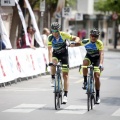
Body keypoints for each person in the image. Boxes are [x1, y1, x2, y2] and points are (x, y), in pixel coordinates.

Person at [47, 22, 80, 104]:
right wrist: (50, 61)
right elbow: (50, 50)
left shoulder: (64, 35)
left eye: (56, 31)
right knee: (53, 62)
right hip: (56, 54)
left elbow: (77, 38)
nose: (54, 33)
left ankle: (65, 95)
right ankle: (53, 77)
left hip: (64, 54)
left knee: (65, 75)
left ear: (59, 30)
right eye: (53, 31)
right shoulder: (50, 37)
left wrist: (74, 43)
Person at [79, 28, 104, 104]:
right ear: (90, 36)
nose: (94, 38)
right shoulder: (86, 41)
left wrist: (101, 64)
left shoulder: (99, 43)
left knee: (97, 76)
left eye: (96, 36)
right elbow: (77, 44)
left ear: (98, 37)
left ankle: (98, 95)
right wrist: (69, 44)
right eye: (93, 36)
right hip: (89, 57)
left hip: (96, 59)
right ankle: (85, 81)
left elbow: (101, 54)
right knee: (85, 62)